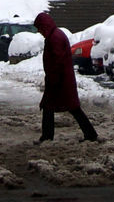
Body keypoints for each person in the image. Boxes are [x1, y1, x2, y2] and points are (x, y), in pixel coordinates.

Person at [33, 11, 98, 143]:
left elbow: (57, 61)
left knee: (56, 107)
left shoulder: (54, 38)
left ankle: (48, 137)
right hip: (62, 79)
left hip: (59, 80)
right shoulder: (55, 35)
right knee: (69, 107)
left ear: (44, 26)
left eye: (39, 29)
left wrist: (54, 80)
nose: (39, 32)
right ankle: (90, 134)